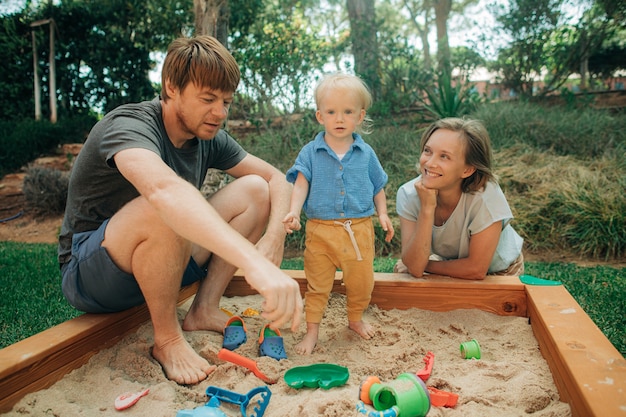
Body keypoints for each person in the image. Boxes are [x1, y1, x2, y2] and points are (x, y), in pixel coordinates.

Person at [58, 35, 303, 385]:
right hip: (91, 272)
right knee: (165, 205)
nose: (220, 113)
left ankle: (203, 309)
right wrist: (254, 263)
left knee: (256, 190)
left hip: (166, 262)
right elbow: (164, 192)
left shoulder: (208, 136)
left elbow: (277, 178)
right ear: (172, 88)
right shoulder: (129, 124)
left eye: (226, 101)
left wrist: (274, 238)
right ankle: (168, 339)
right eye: (208, 99)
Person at [282, 73, 394, 355]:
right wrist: (294, 211)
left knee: (361, 280)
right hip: (319, 231)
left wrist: (383, 214)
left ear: (360, 115)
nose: (340, 118)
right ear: (320, 116)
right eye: (332, 112)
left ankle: (355, 318)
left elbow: (378, 186)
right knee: (317, 285)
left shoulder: (366, 153)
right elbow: (300, 184)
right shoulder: (311, 152)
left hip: (358, 229)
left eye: (347, 112)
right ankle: (312, 332)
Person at [395, 117, 524, 280]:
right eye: (428, 151)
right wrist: (427, 209)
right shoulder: (408, 194)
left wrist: (424, 265)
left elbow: (476, 269)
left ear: (467, 170)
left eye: (444, 156)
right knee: (403, 275)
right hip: (450, 261)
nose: (429, 163)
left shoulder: (486, 197)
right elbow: (414, 267)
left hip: (497, 269)